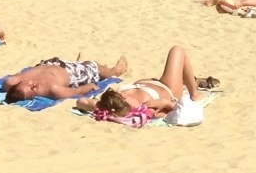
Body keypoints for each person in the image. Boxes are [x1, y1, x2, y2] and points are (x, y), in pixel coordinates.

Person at [76, 45, 218, 127]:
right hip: (168, 88)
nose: (121, 94)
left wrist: (98, 106)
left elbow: (81, 102)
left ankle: (190, 80)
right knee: (177, 51)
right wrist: (165, 103)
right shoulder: (143, 108)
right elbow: (175, 111)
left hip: (151, 83)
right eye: (121, 96)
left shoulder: (111, 103)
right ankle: (194, 92)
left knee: (177, 63)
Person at [1, 55, 131, 103]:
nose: (33, 85)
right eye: (33, 90)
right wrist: (92, 87)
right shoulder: (53, 89)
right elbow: (78, 91)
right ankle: (115, 70)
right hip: (72, 73)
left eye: (28, 85)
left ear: (18, 84)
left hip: (51, 63)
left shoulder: (10, 82)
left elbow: (9, 81)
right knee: (94, 66)